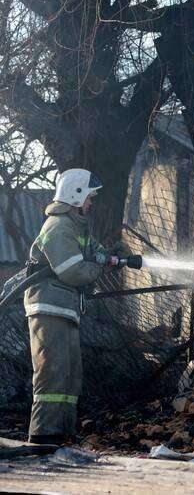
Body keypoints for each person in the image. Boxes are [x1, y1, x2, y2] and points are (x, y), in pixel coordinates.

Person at [24, 168, 130, 445]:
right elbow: (72, 271)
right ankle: (44, 434)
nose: (91, 203)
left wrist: (113, 256)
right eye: (89, 197)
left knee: (70, 375)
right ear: (76, 195)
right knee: (53, 371)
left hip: (64, 308)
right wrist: (100, 265)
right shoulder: (59, 227)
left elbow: (94, 253)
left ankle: (63, 432)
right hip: (48, 308)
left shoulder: (76, 226)